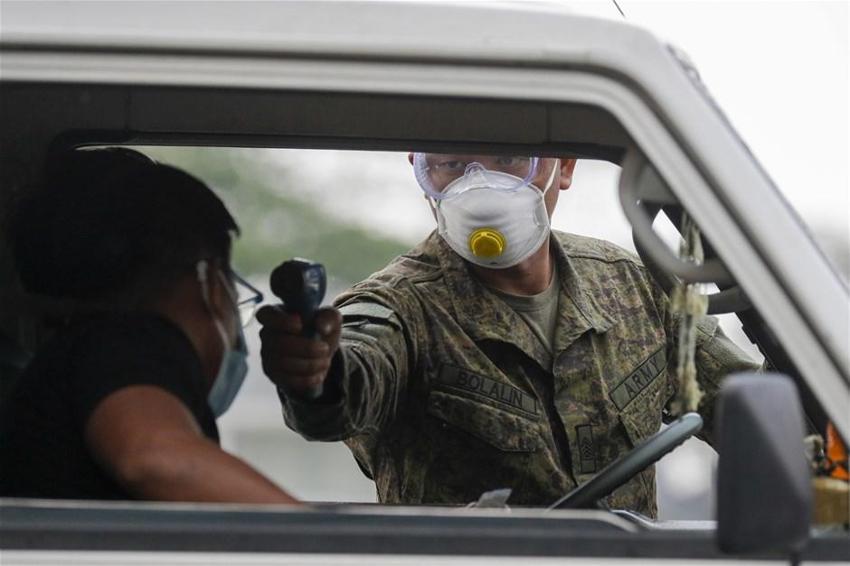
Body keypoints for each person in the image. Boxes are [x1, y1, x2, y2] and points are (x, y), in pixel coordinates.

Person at [258, 154, 758, 515]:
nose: (481, 187)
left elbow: (751, 412)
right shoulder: (400, 307)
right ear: (421, 173)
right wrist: (317, 371)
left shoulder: (634, 283)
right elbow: (350, 380)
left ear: (563, 167)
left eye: (508, 159)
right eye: (452, 165)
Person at [0, 148, 297, 504]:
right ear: (211, 283)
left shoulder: (78, 353)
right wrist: (326, 545)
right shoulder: (130, 341)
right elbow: (155, 459)